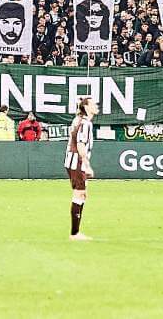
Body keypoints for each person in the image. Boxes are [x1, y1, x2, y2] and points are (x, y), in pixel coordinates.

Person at [65, 97, 98, 240]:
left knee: (82, 194)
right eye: (93, 104)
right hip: (77, 162)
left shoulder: (78, 120)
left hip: (71, 161)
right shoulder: (85, 124)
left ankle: (76, 232)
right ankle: (75, 233)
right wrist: (87, 165)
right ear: (86, 107)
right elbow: (80, 145)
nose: (96, 106)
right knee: (79, 194)